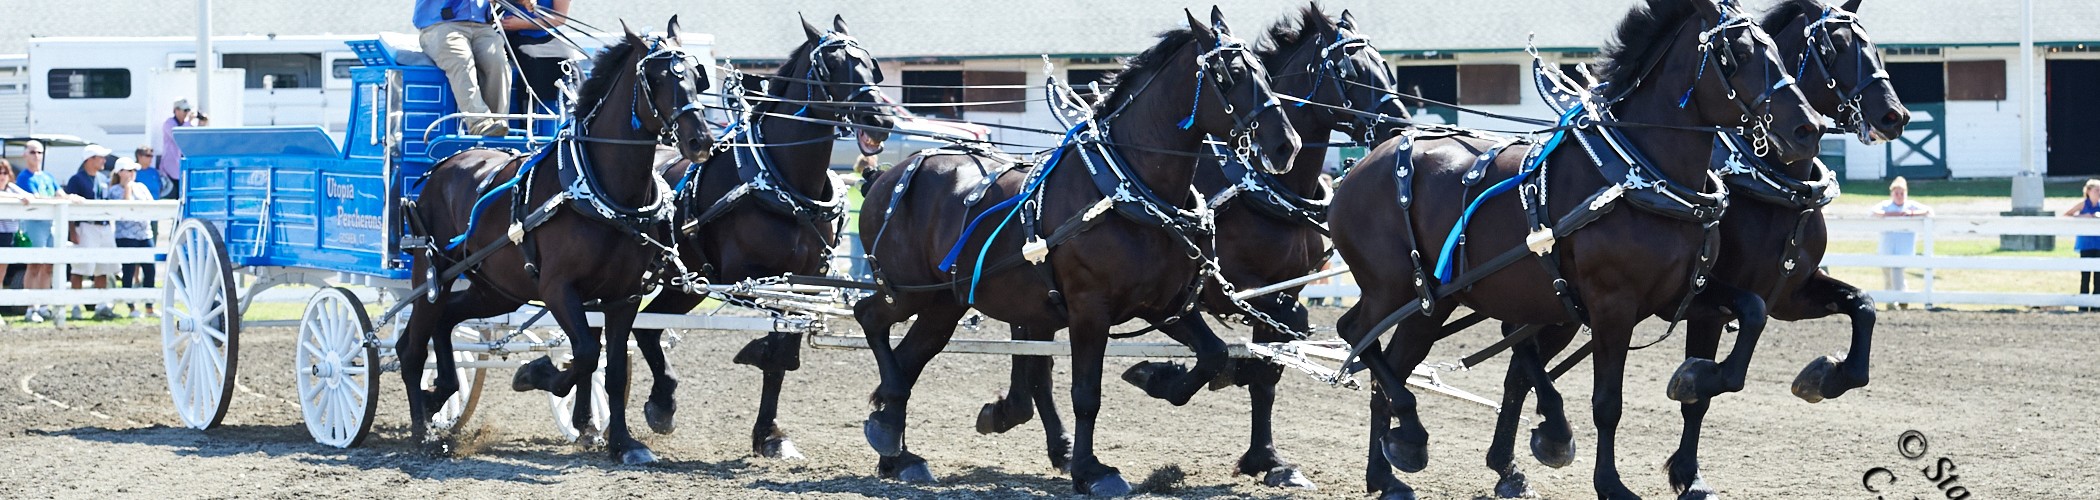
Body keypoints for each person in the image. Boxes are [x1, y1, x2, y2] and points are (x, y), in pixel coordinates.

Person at [417, 0, 512, 137]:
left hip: (482, 26)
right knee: (461, 59)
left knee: (498, 62)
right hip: (440, 25)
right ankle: (480, 124)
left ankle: (499, 125)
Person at [15, 140, 73, 322]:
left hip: (50, 223)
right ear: (25, 155)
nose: (36, 156)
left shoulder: (48, 177)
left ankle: (44, 305)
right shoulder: (24, 177)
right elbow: (37, 198)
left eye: (39, 152)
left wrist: (69, 198)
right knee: (34, 265)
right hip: (34, 223)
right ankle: (31, 307)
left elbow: (59, 194)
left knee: (49, 266)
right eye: (32, 152)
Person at [501, 0, 575, 134]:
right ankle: (526, 122)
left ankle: (562, 122)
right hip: (513, 33)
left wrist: (524, 23)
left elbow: (559, 18)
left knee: (565, 61)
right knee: (532, 60)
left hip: (545, 33)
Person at [64, 145, 119, 321]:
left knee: (103, 267)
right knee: (80, 267)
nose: (103, 161)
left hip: (103, 226)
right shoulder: (76, 179)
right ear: (90, 159)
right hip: (86, 226)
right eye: (100, 158)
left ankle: (101, 304)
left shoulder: (103, 178)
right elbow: (70, 207)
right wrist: (72, 230)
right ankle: (76, 305)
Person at [1872, 176, 1932, 308]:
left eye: (1902, 193)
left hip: (1903, 249)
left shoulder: (1911, 206)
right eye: (1896, 193)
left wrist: (1910, 214)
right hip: (1886, 248)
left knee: (1897, 273)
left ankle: (1902, 299)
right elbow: (1873, 212)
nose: (1899, 196)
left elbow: (1929, 212)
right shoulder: (1886, 205)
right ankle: (1891, 302)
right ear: (1892, 193)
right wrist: (1890, 215)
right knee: (1888, 276)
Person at [109, 159, 157, 318]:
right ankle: (132, 307)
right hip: (126, 235)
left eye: (133, 171)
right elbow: (125, 208)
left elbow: (152, 206)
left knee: (150, 270)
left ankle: (149, 307)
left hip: (144, 233)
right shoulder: (114, 191)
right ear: (120, 172)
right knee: (128, 271)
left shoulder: (141, 187)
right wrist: (128, 187)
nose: (132, 174)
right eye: (128, 170)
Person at [0, 160, 31, 326]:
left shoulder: (12, 188)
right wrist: (17, 197)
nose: (2, 176)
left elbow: (29, 196)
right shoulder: (12, 192)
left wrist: (21, 196)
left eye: (5, 173)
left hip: (7, 234)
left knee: (1, 272)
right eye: (0, 173)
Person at [2062, 178, 2100, 311]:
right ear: (2089, 191)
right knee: (2085, 275)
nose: (2098, 193)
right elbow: (2067, 215)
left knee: (2098, 276)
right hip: (2086, 243)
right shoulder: (2083, 205)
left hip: (2098, 243)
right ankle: (2083, 305)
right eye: (2096, 190)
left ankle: (2096, 305)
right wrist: (2084, 217)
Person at [155, 99, 192, 199]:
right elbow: (179, 136)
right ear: (176, 110)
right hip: (171, 168)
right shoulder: (169, 123)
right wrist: (190, 122)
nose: (186, 113)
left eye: (187, 110)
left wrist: (202, 124)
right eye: (184, 110)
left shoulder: (187, 125)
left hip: (183, 167)